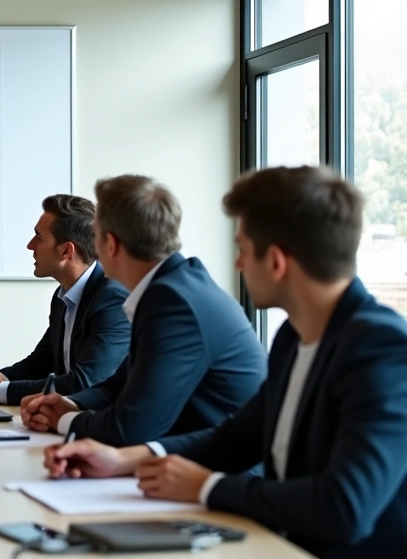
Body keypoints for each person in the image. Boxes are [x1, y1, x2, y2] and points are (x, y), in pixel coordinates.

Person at [45, 166, 407, 558]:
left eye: (243, 250)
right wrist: (124, 460)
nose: (237, 265)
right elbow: (237, 436)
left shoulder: (381, 349)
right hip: (277, 538)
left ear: (277, 262)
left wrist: (206, 486)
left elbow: (345, 507)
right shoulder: (294, 335)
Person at [21, 175, 266, 446]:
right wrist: (63, 403)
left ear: (110, 245)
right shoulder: (172, 287)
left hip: (214, 471)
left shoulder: (173, 303)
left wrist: (62, 420)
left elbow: (130, 428)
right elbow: (118, 385)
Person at [0, 195, 130, 405]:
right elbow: (40, 363)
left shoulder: (112, 298)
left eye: (38, 237)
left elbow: (86, 382)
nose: (30, 246)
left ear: (66, 250)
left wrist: (1, 391)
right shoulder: (63, 296)